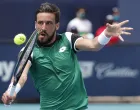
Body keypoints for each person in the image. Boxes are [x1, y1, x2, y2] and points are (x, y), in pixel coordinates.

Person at [1, 2, 133, 110]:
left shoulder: (68, 39)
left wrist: (107, 34)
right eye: (40, 23)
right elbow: (21, 75)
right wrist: (11, 92)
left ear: (57, 25)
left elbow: (94, 45)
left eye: (48, 23)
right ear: (35, 24)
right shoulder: (28, 50)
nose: (43, 27)